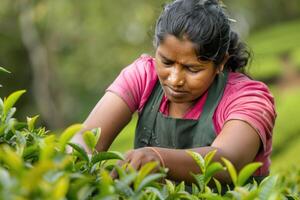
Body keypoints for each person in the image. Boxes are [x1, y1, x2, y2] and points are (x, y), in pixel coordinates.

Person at [71, 0, 276, 184]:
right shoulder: (144, 75)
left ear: (220, 62)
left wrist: (157, 157)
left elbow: (229, 160)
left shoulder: (248, 97)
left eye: (192, 69)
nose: (175, 79)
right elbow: (84, 137)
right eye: (166, 62)